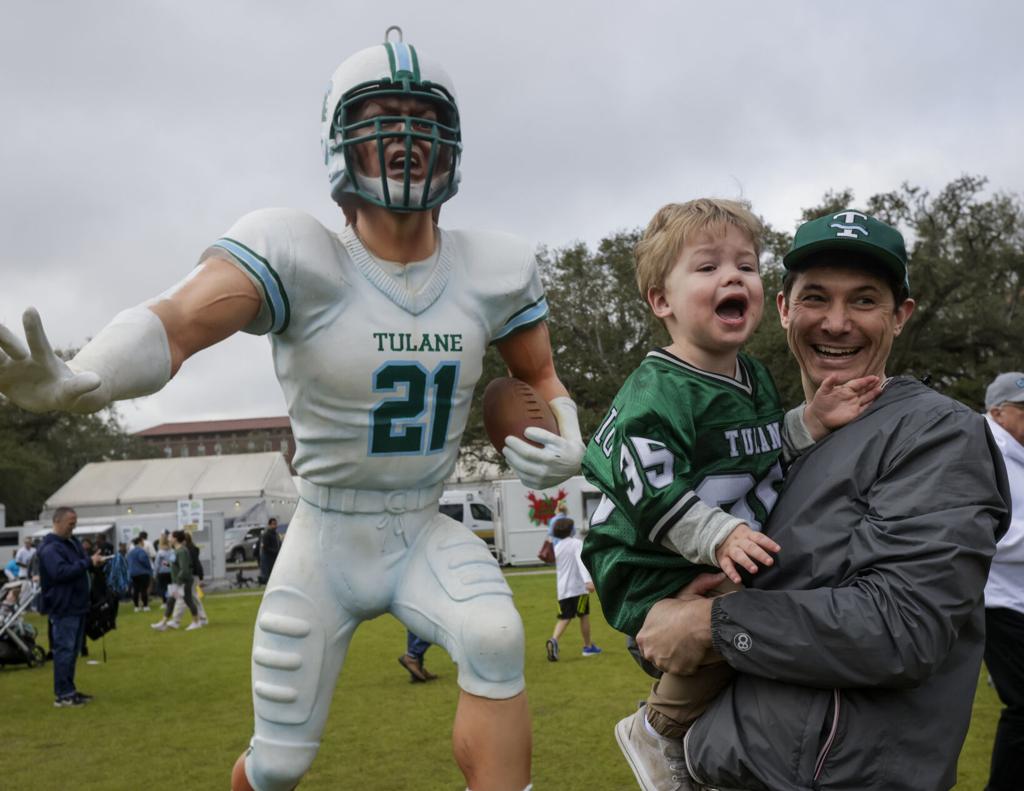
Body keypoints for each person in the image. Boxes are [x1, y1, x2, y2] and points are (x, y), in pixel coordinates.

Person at [0, 28, 584, 791]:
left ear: (453, 145)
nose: (407, 138)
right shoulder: (299, 252)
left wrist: (567, 438)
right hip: (326, 533)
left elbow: (538, 374)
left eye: (423, 119)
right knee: (278, 763)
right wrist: (90, 375)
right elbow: (178, 319)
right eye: (385, 118)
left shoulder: (493, 267)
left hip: (421, 523)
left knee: (496, 633)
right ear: (344, 143)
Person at [631, 209, 1010, 791]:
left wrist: (710, 622)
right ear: (784, 309)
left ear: (900, 316)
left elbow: (902, 630)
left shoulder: (936, 432)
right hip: (724, 769)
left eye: (864, 301)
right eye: (815, 298)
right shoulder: (759, 440)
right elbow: (677, 624)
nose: (837, 323)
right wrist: (663, 615)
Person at [580, 199, 878, 775]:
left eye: (746, 264)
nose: (734, 276)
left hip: (710, 545)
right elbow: (648, 489)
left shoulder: (754, 376)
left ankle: (710, 749)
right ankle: (655, 729)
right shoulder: (658, 390)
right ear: (662, 301)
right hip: (646, 558)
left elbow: (762, 445)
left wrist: (811, 420)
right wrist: (719, 534)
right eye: (708, 266)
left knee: (755, 626)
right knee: (744, 618)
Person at [981, 372, 1024, 791]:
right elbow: (995, 535)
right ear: (998, 413)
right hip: (995, 601)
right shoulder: (984, 451)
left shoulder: (1018, 452)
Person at [37, 507, 103, 707]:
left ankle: (70, 690)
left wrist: (92, 563)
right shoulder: (50, 548)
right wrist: (87, 563)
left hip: (77, 605)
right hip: (63, 606)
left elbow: (80, 564)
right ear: (57, 522)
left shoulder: (71, 543)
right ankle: (63, 695)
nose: (73, 528)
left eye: (75, 523)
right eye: (70, 523)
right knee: (64, 650)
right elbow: (60, 572)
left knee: (73, 651)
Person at [546, 518, 600, 662]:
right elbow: (580, 562)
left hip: (563, 590)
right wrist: (588, 581)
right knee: (584, 616)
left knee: (564, 618)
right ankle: (588, 647)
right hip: (578, 589)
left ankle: (554, 640)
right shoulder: (576, 544)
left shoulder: (557, 547)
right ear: (571, 530)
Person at [151, 530, 201, 632]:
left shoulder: (182, 551)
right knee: (170, 601)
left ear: (175, 539)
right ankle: (163, 623)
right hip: (177, 582)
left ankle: (196, 622)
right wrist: (166, 564)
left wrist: (178, 581)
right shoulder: (176, 550)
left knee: (188, 600)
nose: (169, 538)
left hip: (183, 582)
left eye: (171, 537)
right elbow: (175, 565)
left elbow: (184, 569)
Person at [127, 537, 153, 612]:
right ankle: (145, 606)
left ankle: (136, 606)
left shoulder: (130, 552)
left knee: (135, 590)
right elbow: (143, 560)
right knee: (143, 590)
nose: (143, 543)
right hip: (143, 572)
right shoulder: (141, 551)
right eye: (142, 541)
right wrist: (149, 568)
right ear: (139, 542)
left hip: (133, 573)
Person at [258, 518, 280, 585]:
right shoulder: (267, 534)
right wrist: (275, 551)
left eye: (276, 524)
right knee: (268, 574)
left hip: (274, 557)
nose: (275, 526)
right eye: (273, 524)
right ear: (269, 525)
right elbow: (265, 547)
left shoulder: (276, 534)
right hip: (268, 558)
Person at [154, 535, 174, 602]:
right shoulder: (172, 551)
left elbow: (157, 564)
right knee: (171, 587)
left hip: (162, 572)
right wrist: (168, 565)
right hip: (171, 572)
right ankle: (171, 600)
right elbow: (173, 562)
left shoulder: (160, 552)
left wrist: (155, 573)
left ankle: (164, 601)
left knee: (163, 587)